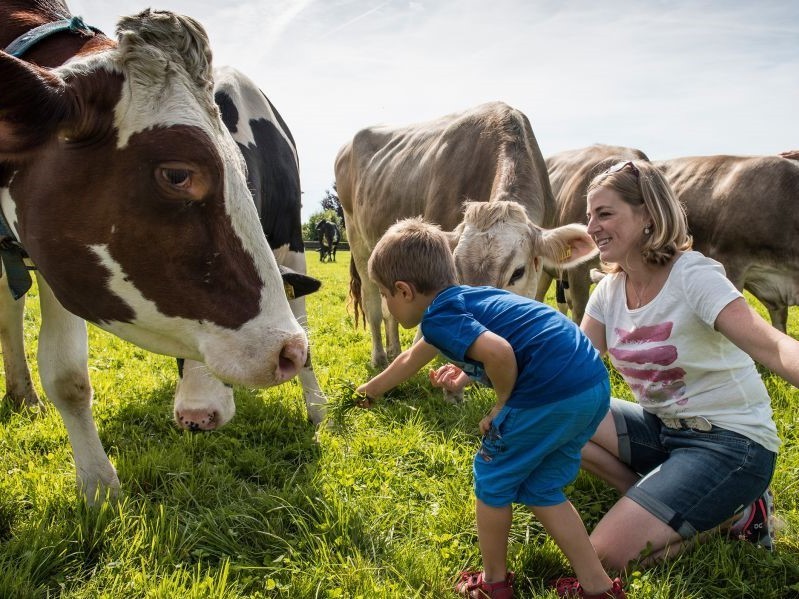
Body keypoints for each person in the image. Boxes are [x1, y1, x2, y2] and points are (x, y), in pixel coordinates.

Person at [356, 217, 626, 599]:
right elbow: (412, 359)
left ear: (404, 290)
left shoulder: (439, 320)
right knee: (541, 486)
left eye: (385, 294)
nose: (386, 302)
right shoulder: (467, 299)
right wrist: (370, 389)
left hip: (548, 392)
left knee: (492, 477)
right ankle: (598, 587)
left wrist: (502, 404)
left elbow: (499, 353)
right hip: (590, 383)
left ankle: (493, 584)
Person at [580, 159, 799, 570]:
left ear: (648, 215)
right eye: (589, 215)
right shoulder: (608, 291)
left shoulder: (692, 276)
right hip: (664, 430)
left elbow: (771, 345)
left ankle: (739, 514)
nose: (591, 227)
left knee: (604, 557)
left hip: (732, 444)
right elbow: (571, 369)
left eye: (604, 214)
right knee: (560, 411)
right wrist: (483, 367)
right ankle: (655, 499)